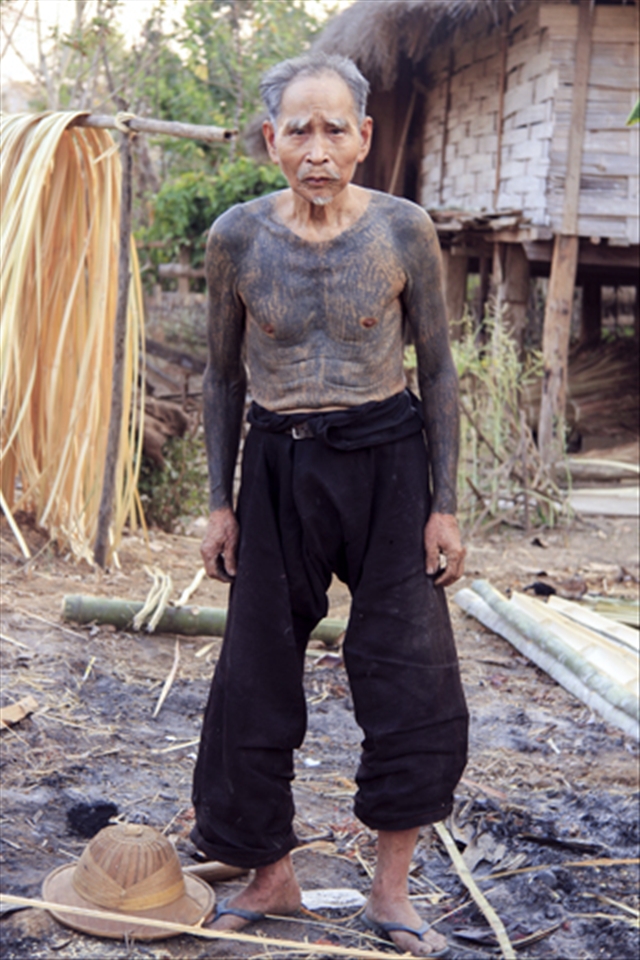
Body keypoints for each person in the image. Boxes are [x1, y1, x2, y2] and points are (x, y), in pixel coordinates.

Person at [192, 52, 468, 958]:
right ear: (271, 140)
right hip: (277, 464)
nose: (316, 149)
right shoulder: (235, 237)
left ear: (364, 138)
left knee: (410, 671)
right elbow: (222, 375)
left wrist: (444, 505)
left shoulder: (403, 230)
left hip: (388, 462)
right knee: (251, 677)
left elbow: (437, 368)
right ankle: (270, 875)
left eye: (334, 129)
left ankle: (391, 892)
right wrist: (219, 502)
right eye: (297, 131)